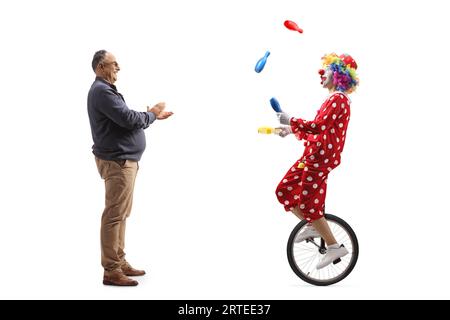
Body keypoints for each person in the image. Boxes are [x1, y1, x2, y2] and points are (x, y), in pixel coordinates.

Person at [87, 50, 173, 286]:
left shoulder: (106, 91)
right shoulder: (102, 91)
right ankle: (111, 270)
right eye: (114, 64)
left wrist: (148, 116)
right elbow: (130, 119)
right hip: (118, 162)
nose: (118, 67)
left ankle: (119, 260)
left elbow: (128, 118)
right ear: (100, 67)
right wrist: (152, 114)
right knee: (114, 215)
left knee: (121, 214)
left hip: (123, 161)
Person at [275, 53, 359, 270]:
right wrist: (291, 130)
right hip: (311, 156)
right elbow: (318, 132)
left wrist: (291, 119)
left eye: (328, 70)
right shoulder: (332, 100)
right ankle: (313, 223)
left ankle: (333, 246)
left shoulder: (339, 99)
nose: (321, 73)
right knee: (284, 190)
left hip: (320, 159)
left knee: (308, 202)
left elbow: (319, 126)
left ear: (339, 76)